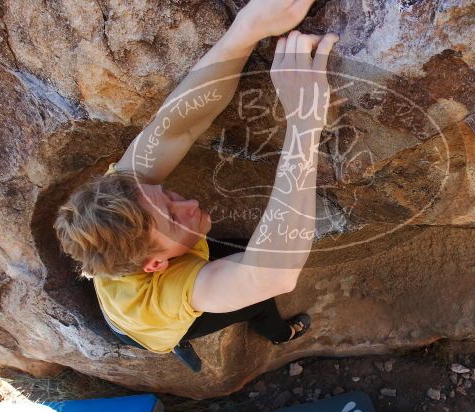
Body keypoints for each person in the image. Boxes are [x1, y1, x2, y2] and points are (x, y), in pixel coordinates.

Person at [53, 0, 339, 371]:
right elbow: (271, 275)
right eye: (175, 217)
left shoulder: (122, 199)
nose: (189, 203)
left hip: (127, 302)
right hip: (148, 325)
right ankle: (278, 335)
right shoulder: (166, 293)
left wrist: (247, 27)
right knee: (252, 300)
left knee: (233, 257)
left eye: (167, 195)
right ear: (156, 263)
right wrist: (304, 123)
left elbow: (178, 124)